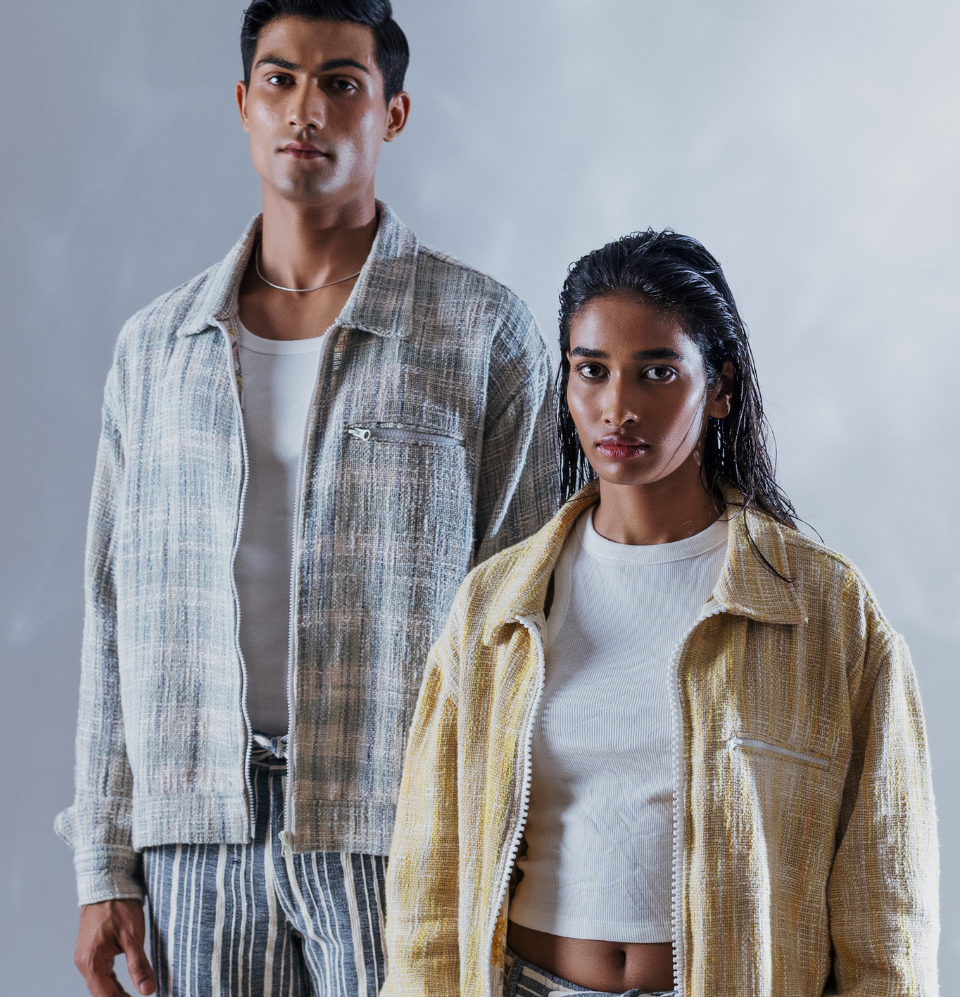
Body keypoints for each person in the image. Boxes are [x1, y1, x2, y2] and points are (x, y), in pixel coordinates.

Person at [55, 2, 557, 995]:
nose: (306, 110)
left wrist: (515, 837)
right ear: (244, 102)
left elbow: (531, 611)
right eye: (281, 80)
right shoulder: (156, 349)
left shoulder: (479, 331)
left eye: (341, 84)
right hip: (197, 831)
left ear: (393, 113)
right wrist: (104, 858)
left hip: (402, 822)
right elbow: (113, 612)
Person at [381, 230, 939, 997]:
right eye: (592, 370)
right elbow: (429, 885)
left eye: (657, 372)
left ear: (720, 386)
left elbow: (887, 905)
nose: (618, 407)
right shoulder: (495, 607)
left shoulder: (825, 609)